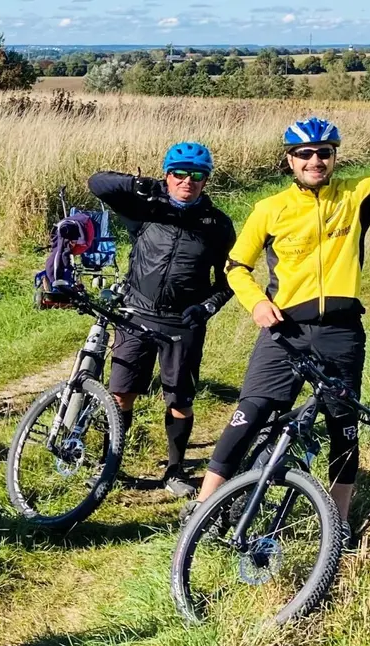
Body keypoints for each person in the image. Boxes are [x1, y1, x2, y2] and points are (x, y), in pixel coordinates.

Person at [191, 60, 370, 542]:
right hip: (284, 330)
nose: (315, 161)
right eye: (304, 154)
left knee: (343, 426)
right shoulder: (270, 209)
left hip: (341, 332)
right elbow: (235, 268)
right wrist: (255, 305)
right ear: (290, 160)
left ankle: (339, 521)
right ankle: (203, 510)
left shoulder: (358, 195)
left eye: (324, 153)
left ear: (335, 156)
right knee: (251, 414)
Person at [88, 142, 236, 497]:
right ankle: (111, 463)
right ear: (168, 175)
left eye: (197, 176)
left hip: (181, 324)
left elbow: (231, 280)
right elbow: (97, 183)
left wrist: (206, 308)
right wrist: (146, 186)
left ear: (206, 181)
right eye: (179, 174)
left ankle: (175, 470)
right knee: (121, 393)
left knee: (180, 401)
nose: (188, 181)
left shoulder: (217, 225)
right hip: (137, 314)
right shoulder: (145, 209)